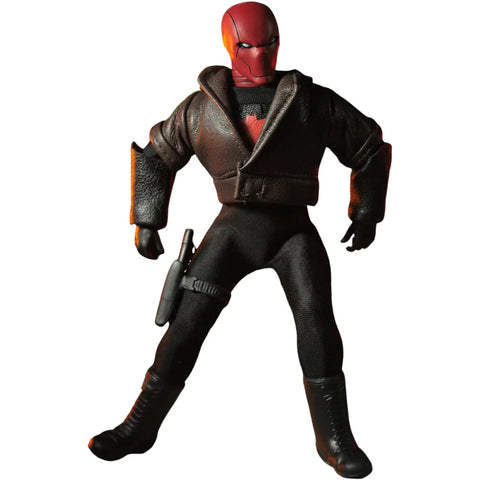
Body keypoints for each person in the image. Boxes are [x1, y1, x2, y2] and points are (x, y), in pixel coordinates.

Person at [89, 3, 391, 478]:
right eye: (248, 45)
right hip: (232, 231)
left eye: (269, 43)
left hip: (293, 232)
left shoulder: (311, 102)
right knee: (185, 325)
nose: (260, 55)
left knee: (317, 327)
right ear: (231, 45)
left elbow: (369, 146)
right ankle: (140, 426)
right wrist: (147, 220)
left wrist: (365, 211)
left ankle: (333, 438)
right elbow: (157, 155)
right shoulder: (202, 107)